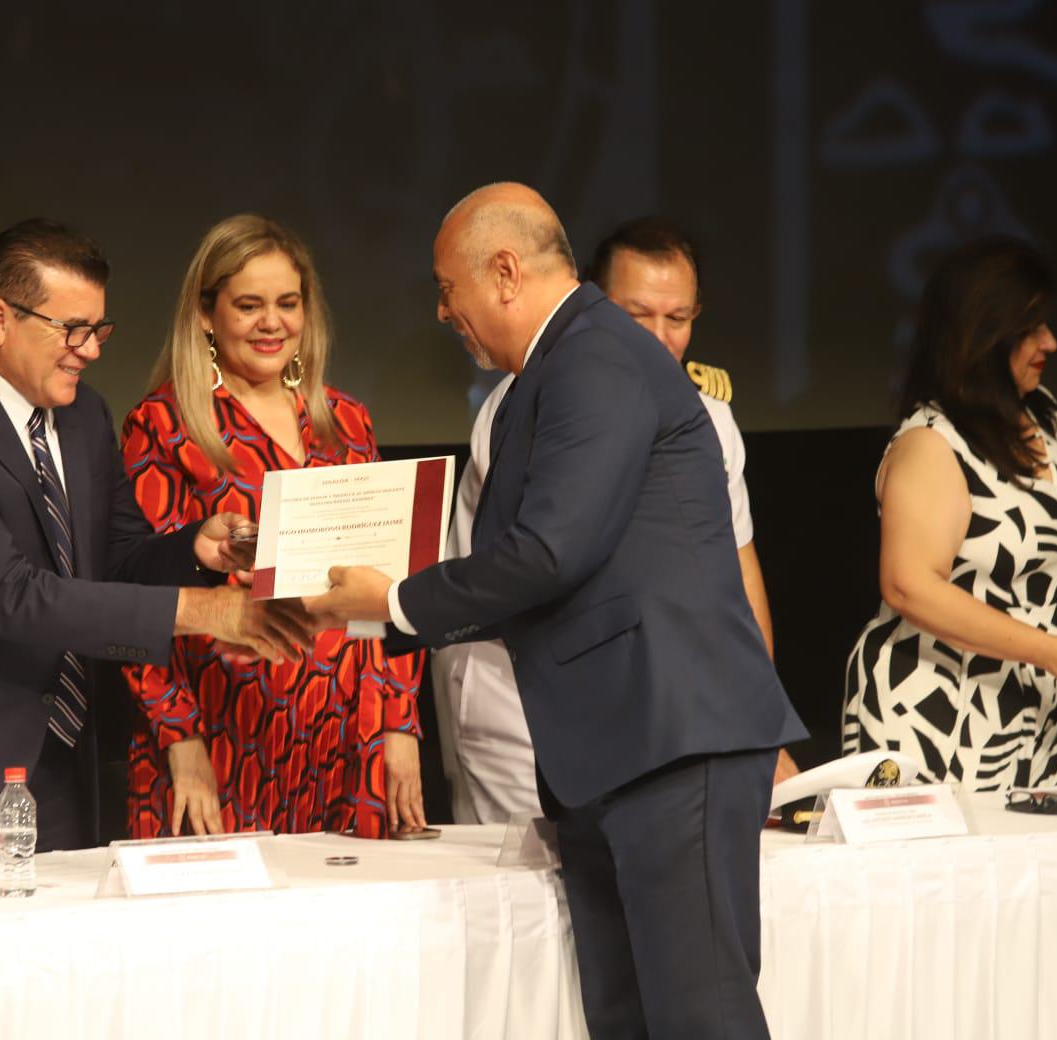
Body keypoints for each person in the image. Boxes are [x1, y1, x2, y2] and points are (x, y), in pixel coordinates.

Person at [307, 183, 807, 1039]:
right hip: (617, 753)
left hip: (669, 739)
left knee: (699, 1017)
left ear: (503, 272)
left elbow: (549, 554)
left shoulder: (592, 357)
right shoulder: (555, 370)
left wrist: (390, 600)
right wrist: (369, 608)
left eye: (446, 287)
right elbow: (546, 565)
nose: (441, 312)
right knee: (628, 1018)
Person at [0, 219, 315, 868]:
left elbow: (118, 558)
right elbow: (10, 598)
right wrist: (206, 611)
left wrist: (196, 548)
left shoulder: (81, 415)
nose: (91, 349)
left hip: (45, 772)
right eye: (72, 329)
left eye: (99, 329)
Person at [432, 216, 798, 824]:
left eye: (677, 318)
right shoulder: (523, 406)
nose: (659, 337)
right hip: (511, 696)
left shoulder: (710, 419)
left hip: (635, 704)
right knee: (525, 903)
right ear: (594, 307)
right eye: (637, 315)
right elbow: (549, 570)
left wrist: (757, 720)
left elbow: (734, 574)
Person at [842, 236, 1057, 789]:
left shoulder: (1046, 414)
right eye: (1031, 328)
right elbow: (908, 584)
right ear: (984, 334)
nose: (1050, 342)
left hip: (1044, 712)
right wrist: (1049, 651)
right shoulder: (932, 443)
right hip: (940, 718)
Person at [121, 214, 425, 840]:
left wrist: (398, 723)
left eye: (288, 303)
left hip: (348, 737)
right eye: (249, 305)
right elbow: (136, 598)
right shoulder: (164, 425)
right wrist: (179, 738)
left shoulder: (346, 423)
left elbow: (390, 584)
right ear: (206, 314)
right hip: (223, 737)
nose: (272, 323)